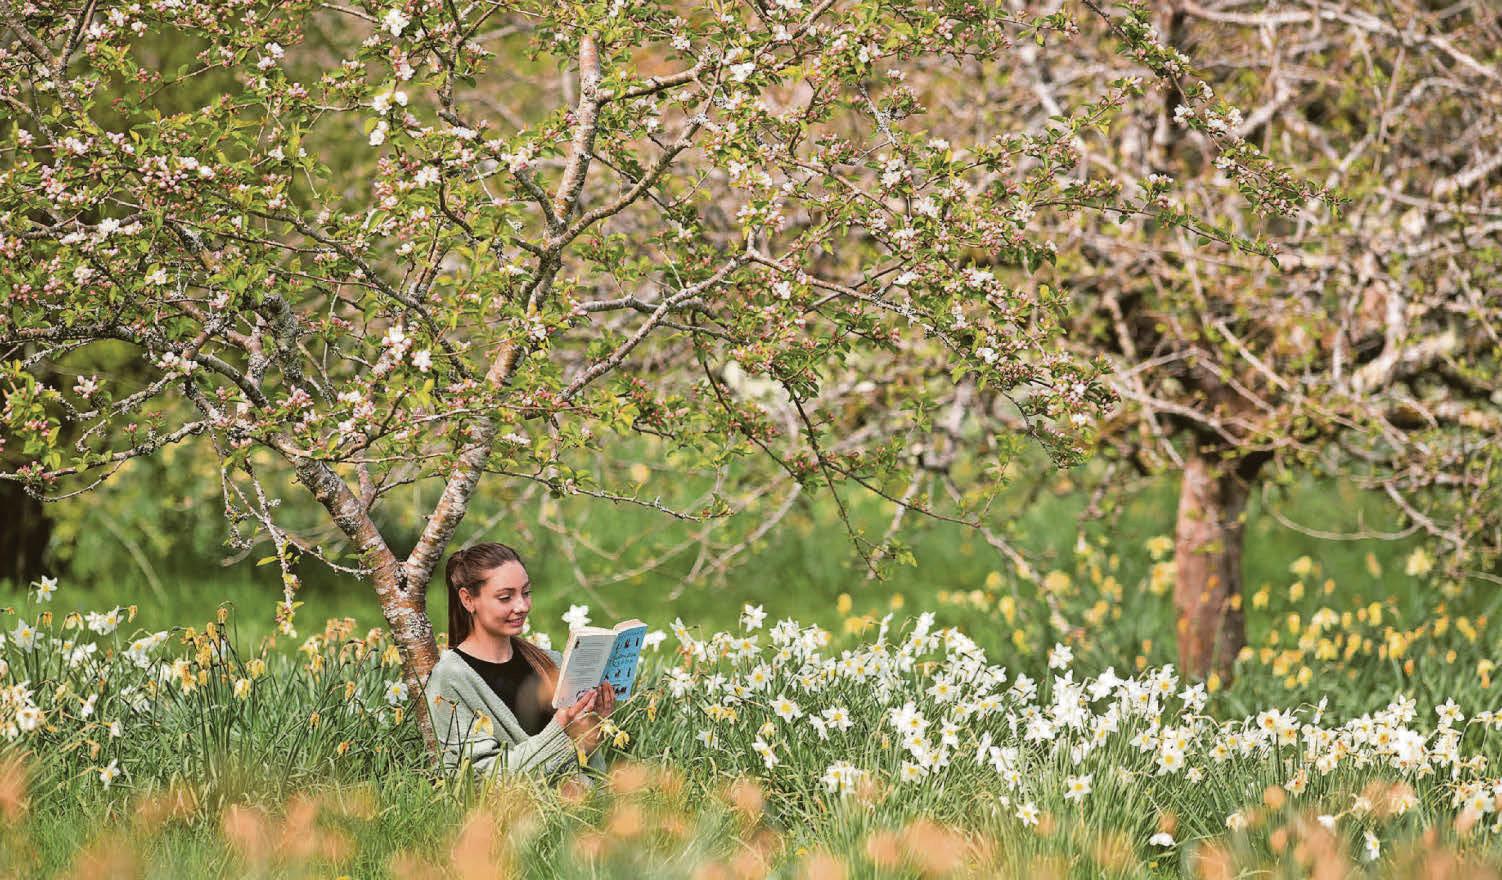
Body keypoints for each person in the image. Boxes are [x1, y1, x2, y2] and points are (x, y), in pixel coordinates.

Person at [424, 541, 615, 782]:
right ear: (468, 600)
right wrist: (561, 727)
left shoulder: (551, 662)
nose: (522, 606)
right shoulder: (451, 678)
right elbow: (484, 778)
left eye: (526, 593)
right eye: (505, 597)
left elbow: (584, 763)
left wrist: (593, 726)